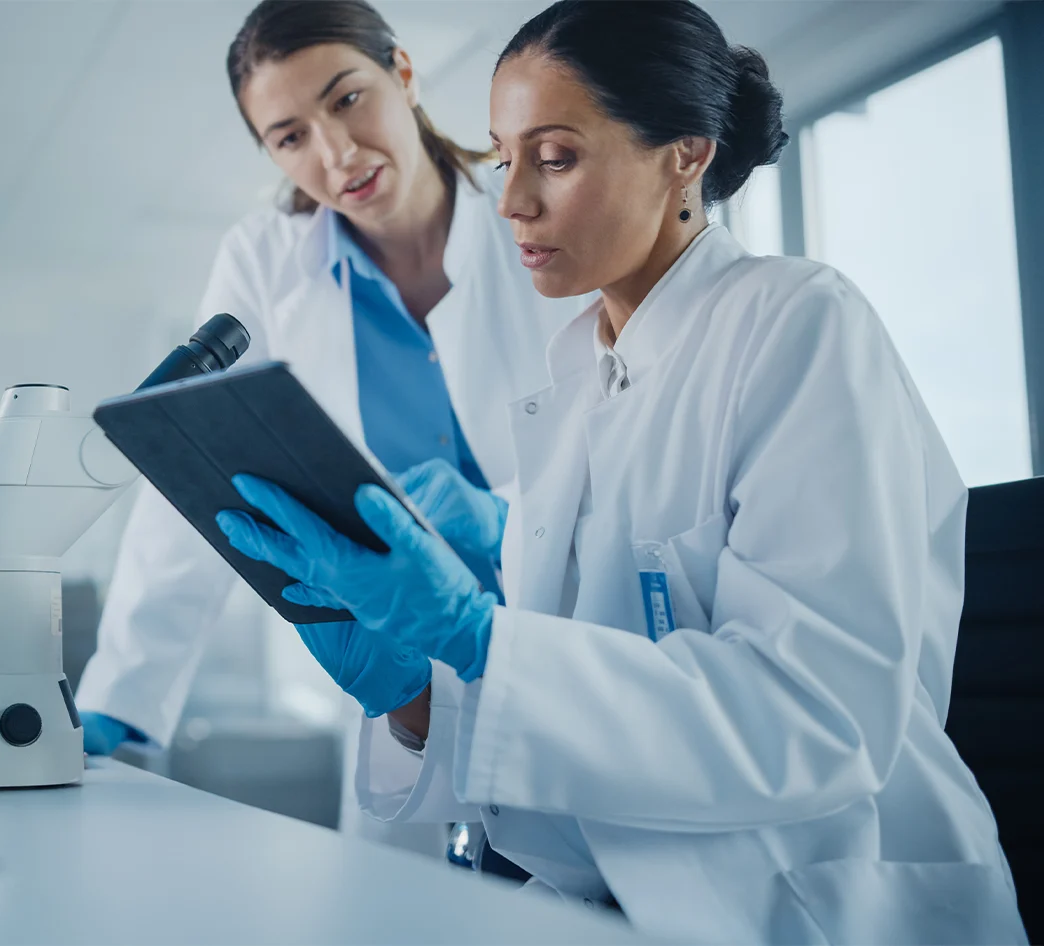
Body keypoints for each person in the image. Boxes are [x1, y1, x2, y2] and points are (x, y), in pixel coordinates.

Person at [214, 0, 1028, 941]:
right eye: (503, 154)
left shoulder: (799, 325)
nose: (511, 198)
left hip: (817, 905)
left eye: (554, 157)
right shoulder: (571, 389)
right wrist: (413, 697)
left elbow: (818, 722)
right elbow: (565, 738)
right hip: (601, 902)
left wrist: (481, 637)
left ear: (686, 153)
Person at [74, 0, 587, 855]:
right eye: (290, 137)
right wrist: (122, 698)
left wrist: (506, 518)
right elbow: (197, 477)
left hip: (570, 642)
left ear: (405, 73)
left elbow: (620, 430)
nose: (336, 154)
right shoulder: (266, 260)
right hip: (407, 678)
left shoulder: (531, 215)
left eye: (348, 99)